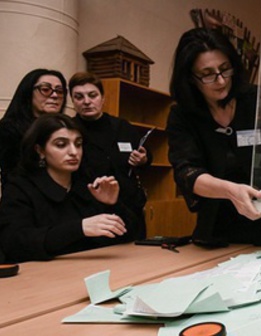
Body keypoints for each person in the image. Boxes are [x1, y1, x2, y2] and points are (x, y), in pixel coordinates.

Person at [167, 28, 261, 247]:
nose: (220, 81)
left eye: (225, 69)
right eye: (208, 74)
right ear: (191, 78)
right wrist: (231, 191)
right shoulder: (182, 115)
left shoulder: (260, 100)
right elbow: (186, 172)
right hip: (218, 231)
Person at [0, 114, 138, 262]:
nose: (74, 152)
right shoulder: (20, 187)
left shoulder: (89, 183)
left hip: (91, 270)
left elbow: (128, 238)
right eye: (61, 144)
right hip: (40, 277)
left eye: (78, 144)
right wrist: (79, 228)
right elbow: (14, 244)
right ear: (40, 150)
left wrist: (112, 205)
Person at [69, 72, 151, 239]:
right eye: (79, 97)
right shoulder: (68, 129)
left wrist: (144, 159)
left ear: (103, 98)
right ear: (72, 101)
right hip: (90, 213)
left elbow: (146, 155)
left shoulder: (122, 127)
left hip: (129, 210)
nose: (86, 101)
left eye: (92, 95)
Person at [0, 69, 67, 191]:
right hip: (23, 199)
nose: (55, 95)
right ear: (28, 93)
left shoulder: (66, 126)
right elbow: (12, 174)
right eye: (46, 89)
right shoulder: (9, 128)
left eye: (60, 91)